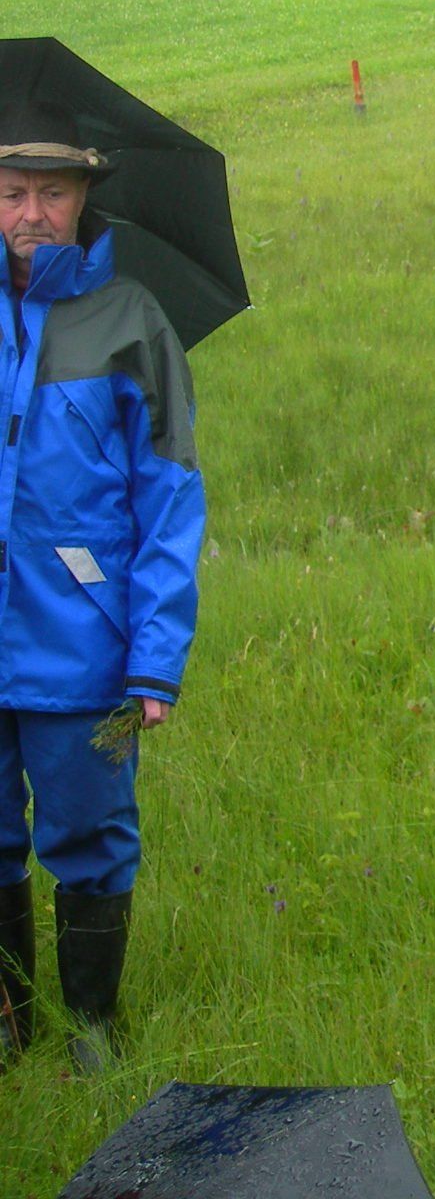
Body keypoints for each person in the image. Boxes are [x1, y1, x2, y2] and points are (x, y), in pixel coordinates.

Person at [0, 102, 203, 1072]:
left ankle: (91, 1027)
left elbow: (171, 498)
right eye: (11, 193)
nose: (30, 213)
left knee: (91, 833)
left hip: (83, 643)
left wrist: (155, 658)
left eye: (52, 192)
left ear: (85, 198)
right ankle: (9, 1025)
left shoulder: (132, 321)